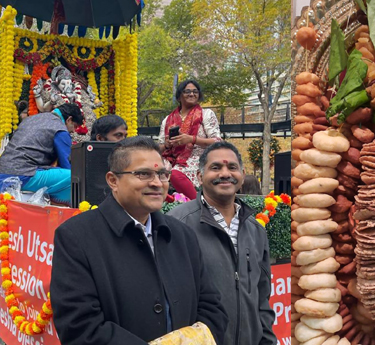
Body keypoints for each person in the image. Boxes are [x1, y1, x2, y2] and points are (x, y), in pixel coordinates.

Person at [50, 136, 228, 345]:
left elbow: (212, 308)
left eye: (162, 174)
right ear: (113, 180)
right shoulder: (76, 237)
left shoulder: (182, 235)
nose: (156, 183)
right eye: (143, 174)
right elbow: (79, 327)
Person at [168, 141, 276, 345]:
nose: (225, 173)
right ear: (200, 177)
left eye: (232, 167)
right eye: (215, 167)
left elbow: (262, 297)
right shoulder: (177, 224)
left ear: (242, 175)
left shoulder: (255, 230)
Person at [0, 103, 84, 205]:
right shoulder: (60, 129)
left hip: (3, 172)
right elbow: (67, 165)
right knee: (74, 178)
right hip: (23, 175)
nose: (73, 131)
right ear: (69, 120)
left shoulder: (30, 119)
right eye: (74, 126)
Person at [159, 80, 222, 201]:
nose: (192, 94)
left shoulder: (206, 114)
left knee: (175, 174)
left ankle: (199, 206)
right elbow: (159, 148)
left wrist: (192, 139)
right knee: (155, 171)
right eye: (187, 91)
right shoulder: (168, 119)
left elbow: (218, 142)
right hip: (171, 159)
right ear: (179, 96)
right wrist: (167, 145)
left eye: (195, 91)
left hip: (198, 158)